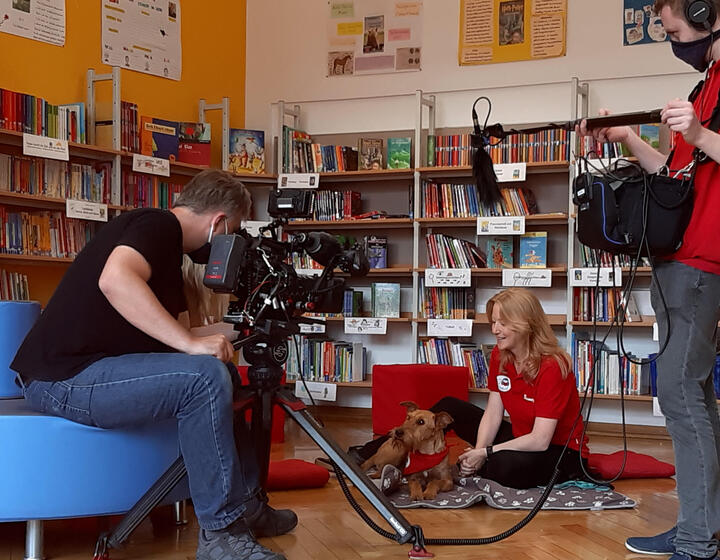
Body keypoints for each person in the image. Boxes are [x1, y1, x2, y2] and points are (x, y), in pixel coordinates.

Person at [579, 1, 720, 559]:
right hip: (682, 259)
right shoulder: (711, 81)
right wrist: (632, 139)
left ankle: (699, 542)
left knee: (678, 394)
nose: (673, 41)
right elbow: (680, 184)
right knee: (693, 394)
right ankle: (694, 531)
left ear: (705, 14)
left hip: (706, 266)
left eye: (675, 30)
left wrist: (700, 134)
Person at [11, 170, 294, 560]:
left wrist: (247, 325)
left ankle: (247, 507)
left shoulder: (168, 257)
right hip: (63, 377)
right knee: (205, 377)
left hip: (89, 372)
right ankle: (221, 537)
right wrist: (192, 344)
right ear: (219, 223)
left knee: (220, 372)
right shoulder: (157, 224)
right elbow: (116, 279)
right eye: (235, 230)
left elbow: (178, 337)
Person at [354, 288, 589, 489]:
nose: (495, 329)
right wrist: (478, 450)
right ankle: (366, 457)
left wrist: (485, 454)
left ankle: (447, 470)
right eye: (493, 322)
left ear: (526, 324)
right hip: (520, 438)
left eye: (503, 323)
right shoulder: (501, 354)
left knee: (501, 466)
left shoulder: (553, 366)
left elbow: (540, 440)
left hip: (560, 452)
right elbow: (494, 412)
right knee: (448, 406)